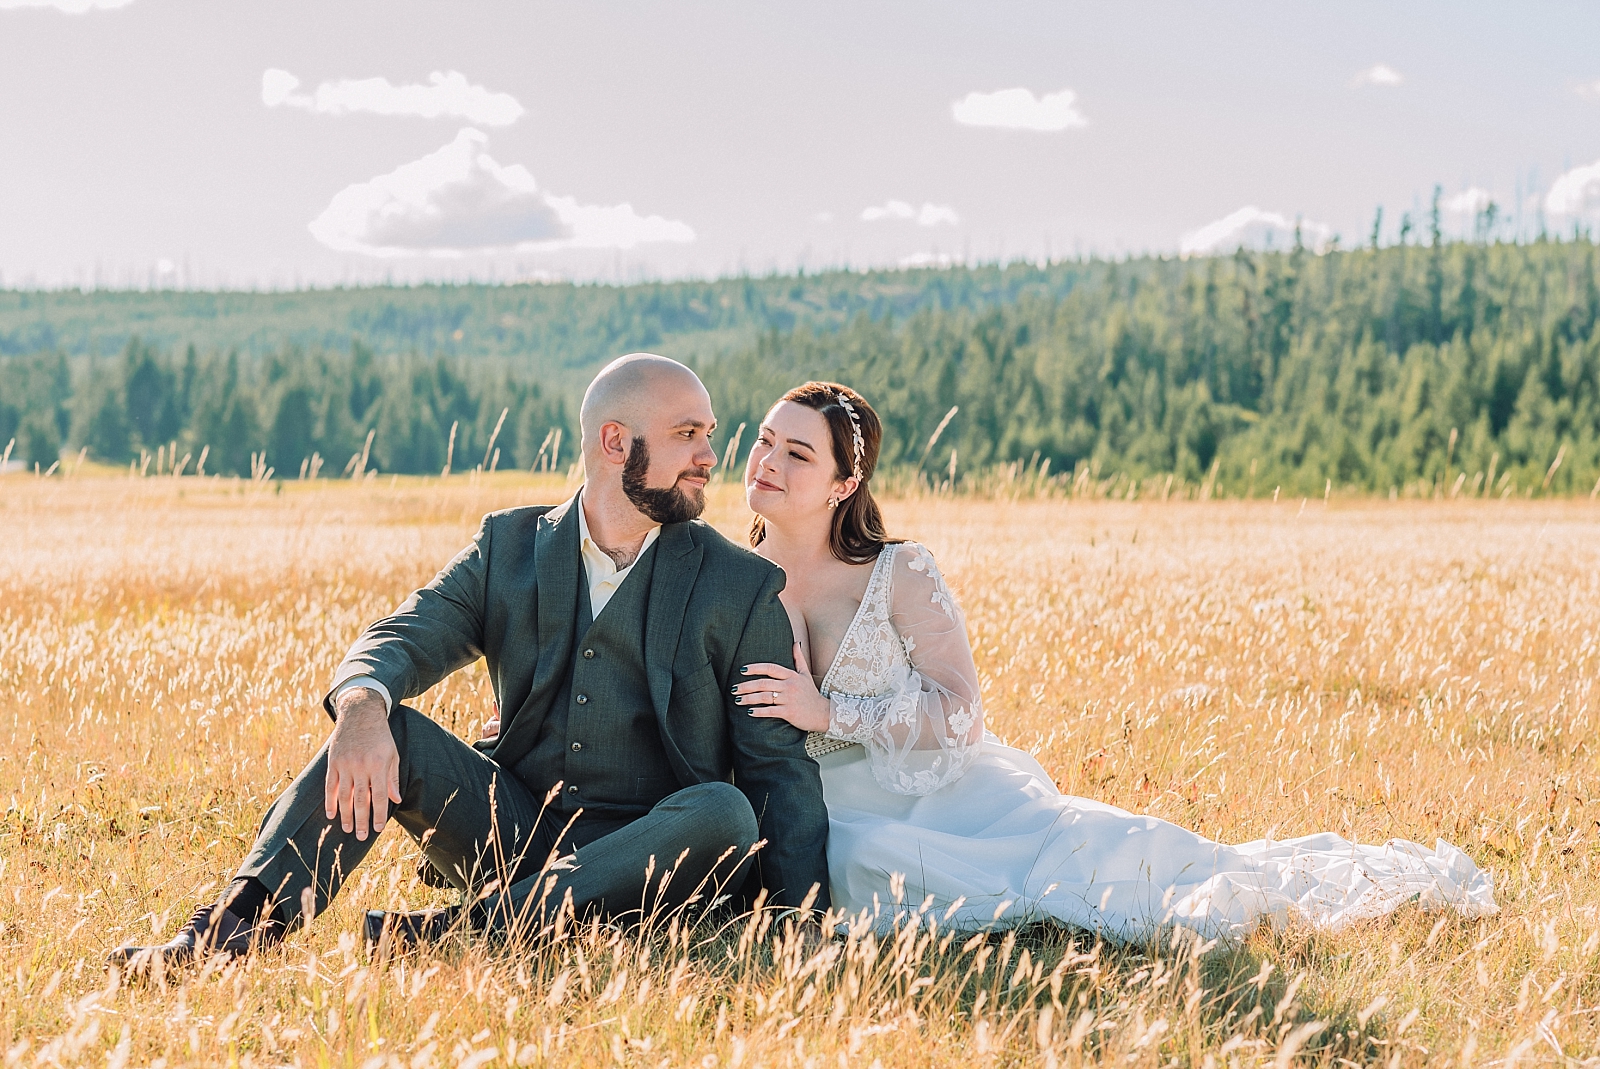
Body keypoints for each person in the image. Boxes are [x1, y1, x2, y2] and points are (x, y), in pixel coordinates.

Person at [110, 354, 829, 969]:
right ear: (616, 441)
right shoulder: (508, 547)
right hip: (513, 832)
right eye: (687, 434)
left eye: (707, 434)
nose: (710, 454)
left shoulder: (739, 584)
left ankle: (467, 933)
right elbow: (407, 632)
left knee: (724, 809)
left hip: (652, 859)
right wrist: (362, 706)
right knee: (387, 728)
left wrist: (800, 926)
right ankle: (223, 936)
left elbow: (778, 773)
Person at [735, 381, 1497, 939]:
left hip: (937, 793)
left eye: (797, 451)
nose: (767, 459)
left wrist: (831, 711)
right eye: (765, 439)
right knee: (848, 853)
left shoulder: (898, 572)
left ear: (845, 482)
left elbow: (961, 714)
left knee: (1113, 866)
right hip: (819, 805)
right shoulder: (732, 573)